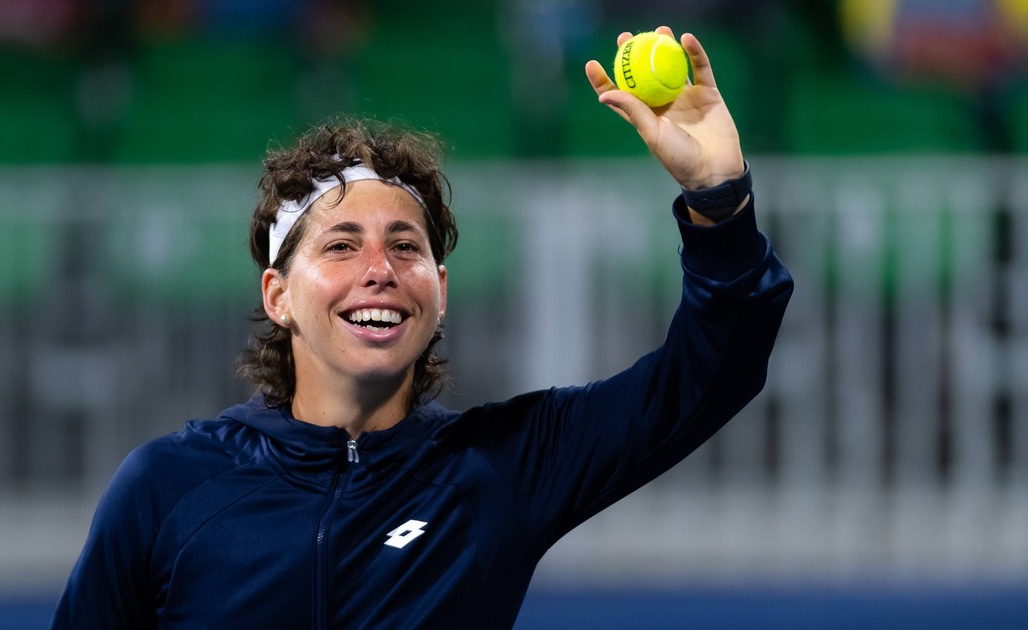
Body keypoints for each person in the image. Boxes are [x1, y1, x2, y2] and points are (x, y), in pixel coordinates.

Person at [52, 26, 793, 629]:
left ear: (438, 292)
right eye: (341, 246)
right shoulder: (167, 486)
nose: (379, 268)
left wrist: (718, 199)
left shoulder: (502, 466)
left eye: (405, 247)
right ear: (278, 296)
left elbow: (712, 371)